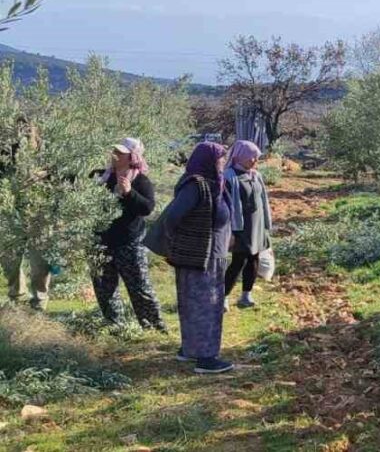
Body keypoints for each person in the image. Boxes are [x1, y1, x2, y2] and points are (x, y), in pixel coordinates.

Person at [161, 142, 235, 374]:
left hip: (209, 255)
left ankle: (189, 349)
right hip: (201, 255)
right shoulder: (196, 185)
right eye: (219, 160)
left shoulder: (213, 184)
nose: (222, 164)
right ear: (208, 161)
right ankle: (206, 358)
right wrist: (189, 237)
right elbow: (172, 216)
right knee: (206, 305)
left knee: (194, 303)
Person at [91, 138, 166, 330]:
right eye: (114, 150)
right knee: (104, 288)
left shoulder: (141, 181)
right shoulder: (100, 176)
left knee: (140, 287)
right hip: (100, 242)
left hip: (129, 243)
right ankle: (115, 326)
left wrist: (129, 193)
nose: (115, 154)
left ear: (132, 156)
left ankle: (154, 326)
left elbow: (147, 208)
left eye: (121, 152)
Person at [1, 117, 51, 310]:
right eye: (20, 129)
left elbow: (65, 177)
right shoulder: (6, 152)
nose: (24, 133)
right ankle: (17, 298)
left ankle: (39, 303)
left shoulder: (46, 151)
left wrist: (44, 174)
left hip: (39, 214)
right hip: (11, 213)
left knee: (40, 264)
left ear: (34, 130)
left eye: (27, 129)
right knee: (9, 260)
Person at [223, 140, 272, 310]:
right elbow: (227, 205)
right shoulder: (229, 177)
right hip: (240, 227)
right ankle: (223, 297)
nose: (254, 161)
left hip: (257, 225)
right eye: (251, 157)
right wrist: (230, 231)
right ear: (240, 157)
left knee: (254, 259)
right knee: (238, 261)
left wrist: (266, 224)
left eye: (256, 158)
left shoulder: (256, 175)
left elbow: (263, 200)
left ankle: (246, 295)